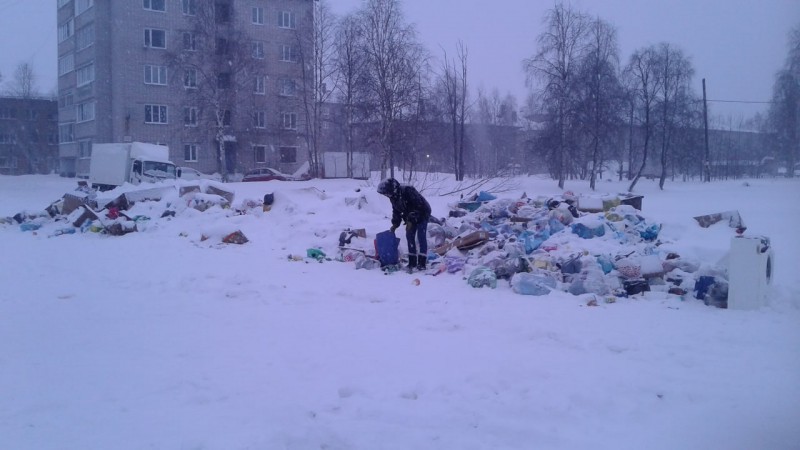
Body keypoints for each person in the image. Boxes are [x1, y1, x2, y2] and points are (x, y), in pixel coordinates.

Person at [377, 178, 432, 271]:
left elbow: (417, 205)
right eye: (385, 194)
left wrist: (411, 220)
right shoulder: (393, 197)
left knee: (421, 236)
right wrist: (395, 224)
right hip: (411, 215)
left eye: (386, 193)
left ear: (392, 189)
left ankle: (422, 263)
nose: (386, 195)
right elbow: (396, 211)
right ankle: (412, 262)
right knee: (409, 236)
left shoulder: (407, 190)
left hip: (423, 212)